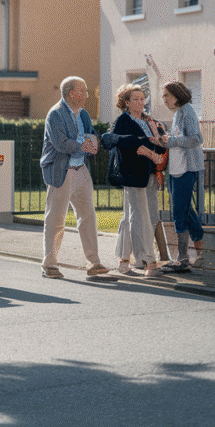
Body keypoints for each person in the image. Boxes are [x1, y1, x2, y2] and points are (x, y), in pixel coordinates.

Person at [39, 77, 109, 279]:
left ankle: (94, 263)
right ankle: (49, 264)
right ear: (72, 93)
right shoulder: (55, 114)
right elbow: (60, 143)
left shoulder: (83, 114)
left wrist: (93, 142)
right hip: (62, 171)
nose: (87, 95)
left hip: (81, 169)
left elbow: (91, 132)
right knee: (56, 219)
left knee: (88, 217)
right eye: (84, 91)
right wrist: (82, 146)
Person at [103, 84, 167, 277]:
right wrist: (141, 144)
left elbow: (161, 148)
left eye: (142, 98)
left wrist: (158, 142)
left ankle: (124, 260)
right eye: (136, 99)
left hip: (149, 174)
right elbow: (113, 140)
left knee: (135, 216)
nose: (140, 102)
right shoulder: (123, 120)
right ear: (127, 103)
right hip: (132, 174)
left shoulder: (149, 121)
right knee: (140, 216)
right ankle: (149, 262)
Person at [158, 81, 206, 272]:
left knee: (179, 211)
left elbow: (196, 138)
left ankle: (182, 258)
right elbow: (179, 140)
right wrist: (167, 140)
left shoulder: (187, 111)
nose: (164, 99)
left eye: (167, 95)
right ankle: (200, 252)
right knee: (186, 211)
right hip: (176, 168)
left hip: (186, 169)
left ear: (177, 96)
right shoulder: (179, 113)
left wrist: (171, 141)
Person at [140, 109, 172, 264]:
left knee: (147, 216)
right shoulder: (156, 124)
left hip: (146, 173)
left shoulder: (146, 124)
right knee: (152, 215)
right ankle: (163, 255)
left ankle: (147, 256)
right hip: (154, 172)